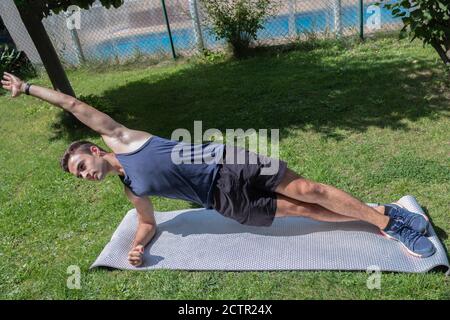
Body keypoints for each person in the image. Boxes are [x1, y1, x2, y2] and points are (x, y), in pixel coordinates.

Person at [1, 72, 436, 267]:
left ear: (95, 150)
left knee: (308, 189)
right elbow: (147, 223)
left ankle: (388, 222)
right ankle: (377, 215)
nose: (85, 175)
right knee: (303, 211)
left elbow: (76, 105)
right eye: (79, 176)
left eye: (82, 165)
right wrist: (138, 247)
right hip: (222, 199)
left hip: (226, 161)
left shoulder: (123, 139)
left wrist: (30, 88)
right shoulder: (131, 188)